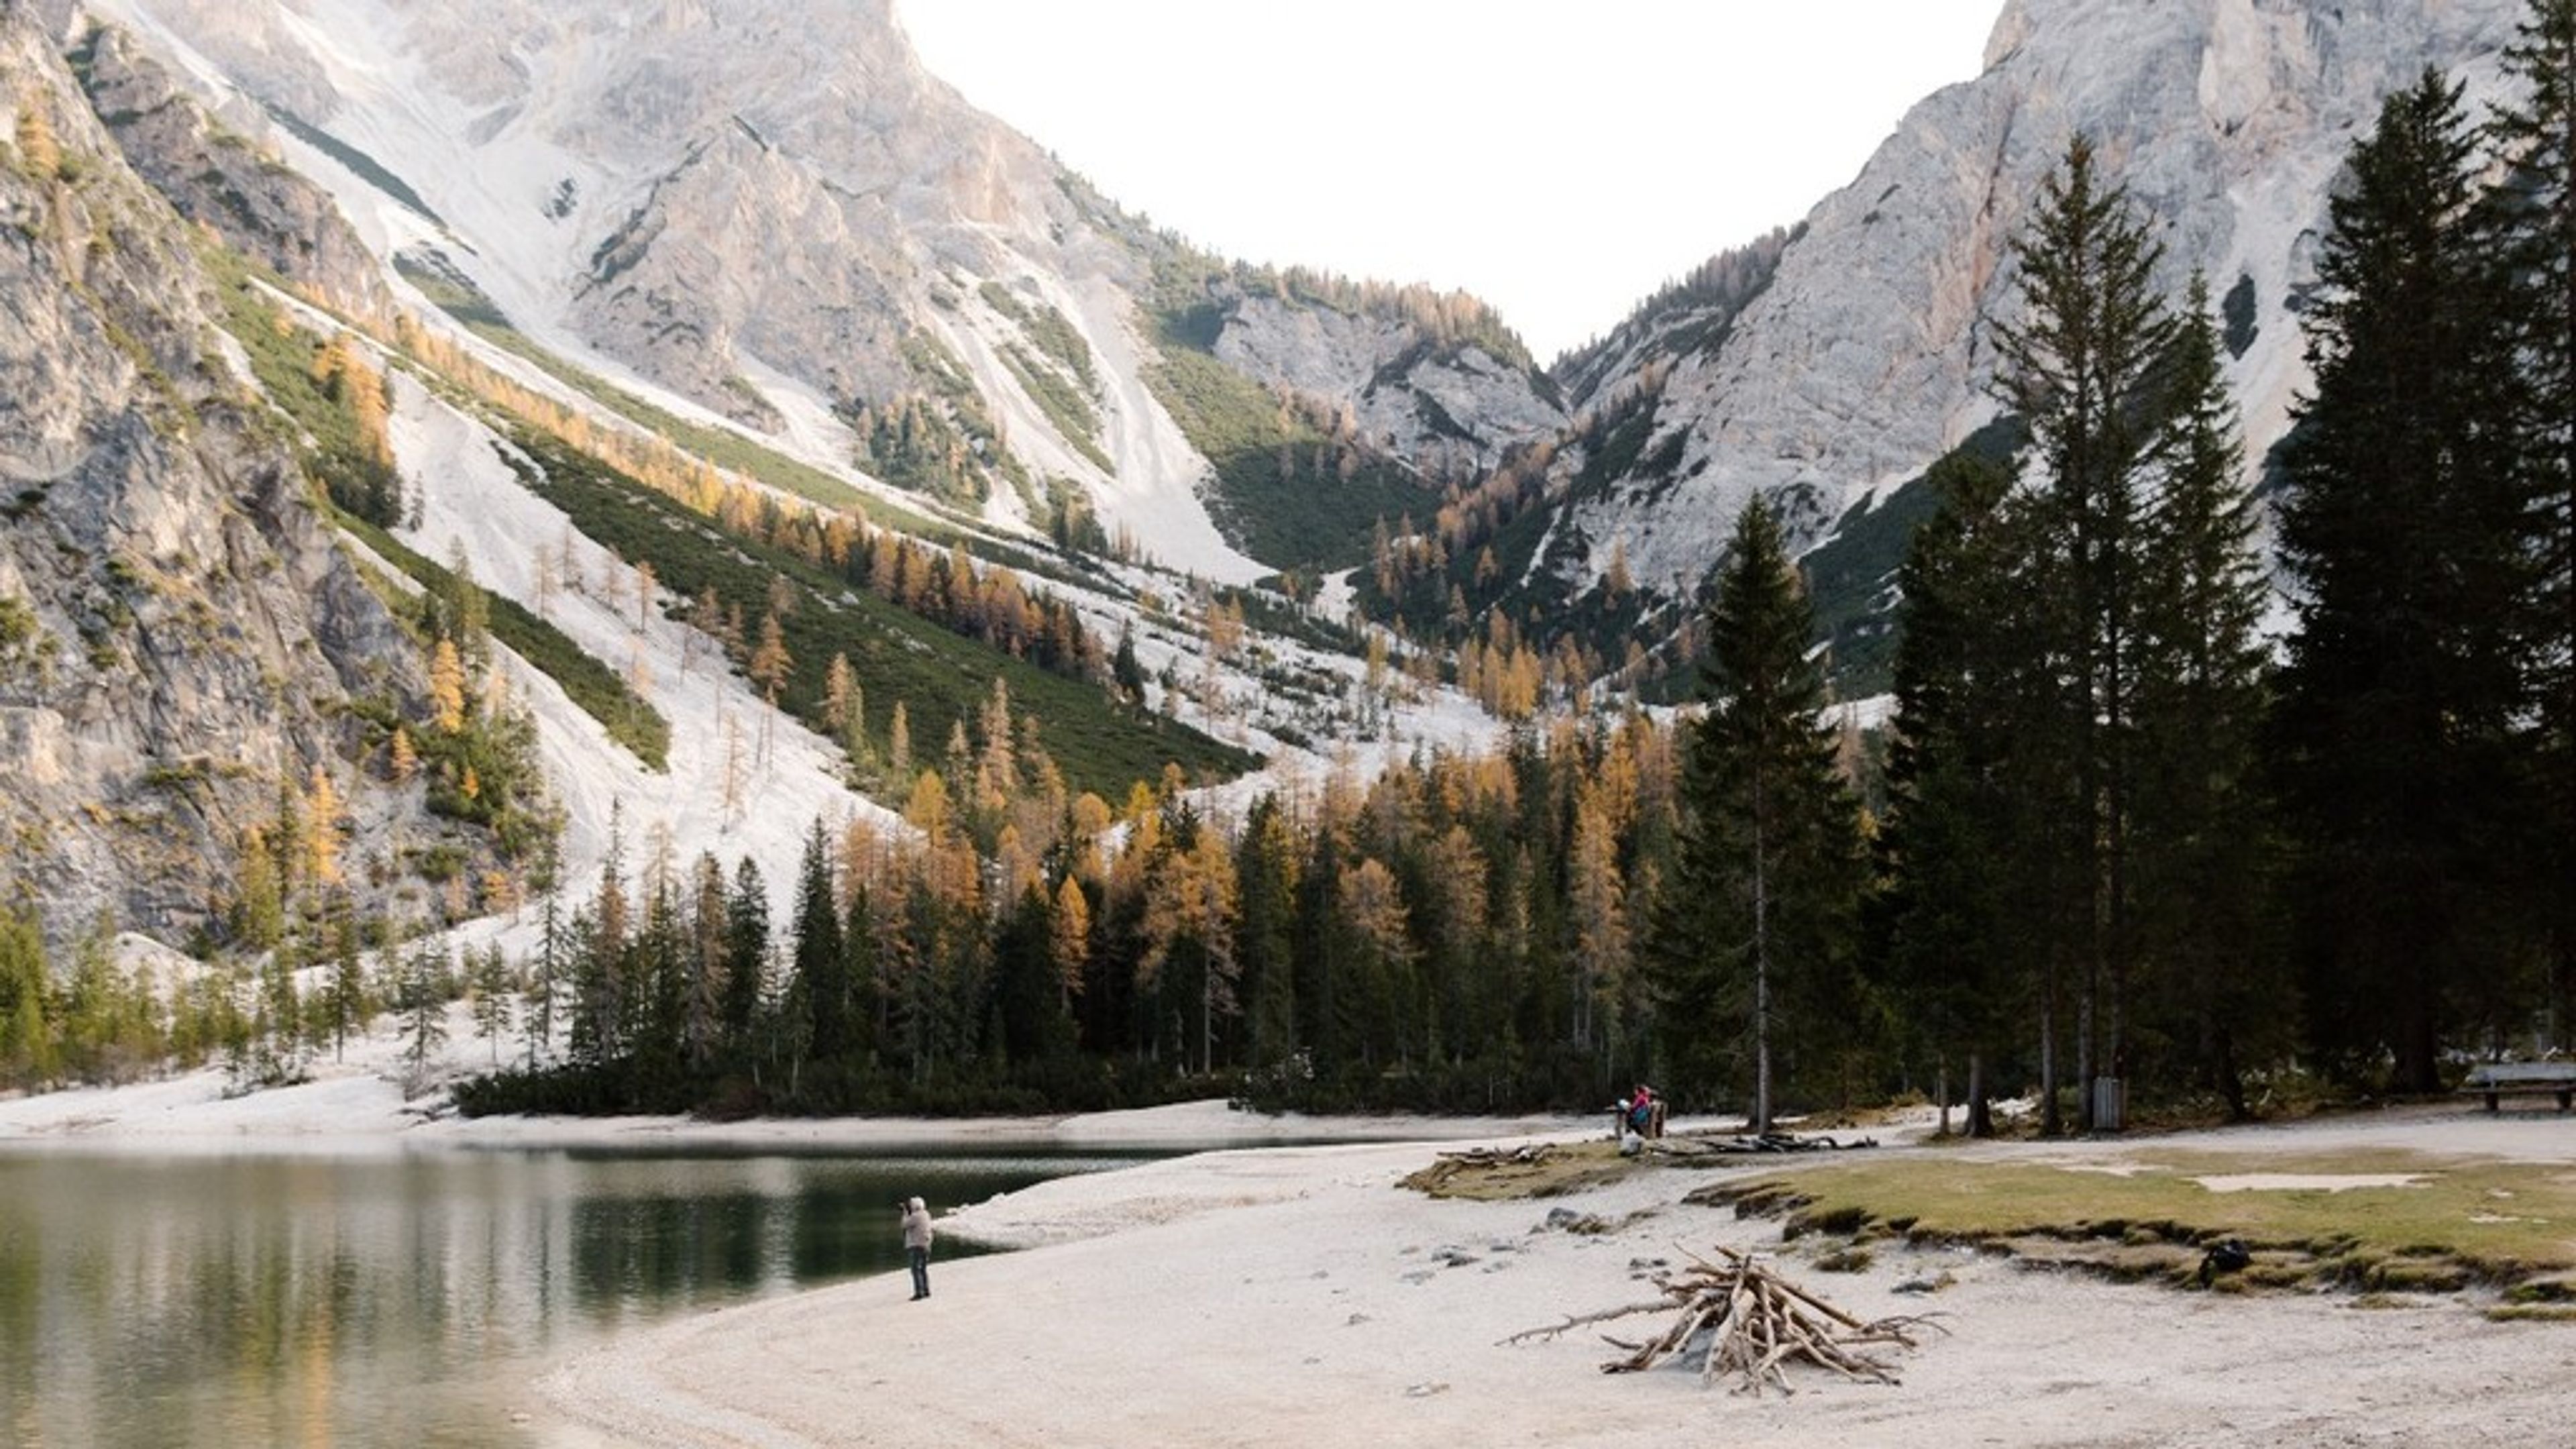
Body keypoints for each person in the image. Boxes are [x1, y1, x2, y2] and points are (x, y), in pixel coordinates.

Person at [900, 1195, 934, 1300]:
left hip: (916, 1246)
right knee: (922, 1269)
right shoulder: (926, 1214)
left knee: (915, 1270)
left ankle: (919, 1292)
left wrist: (905, 1213)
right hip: (926, 1245)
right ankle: (926, 1290)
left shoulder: (916, 1216)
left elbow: (904, 1225)